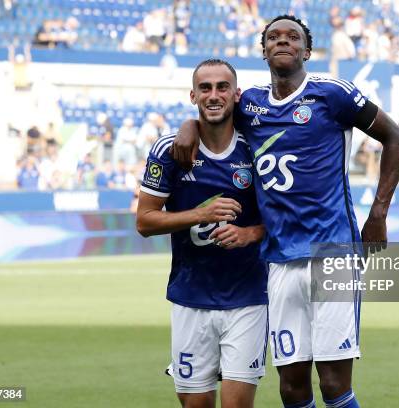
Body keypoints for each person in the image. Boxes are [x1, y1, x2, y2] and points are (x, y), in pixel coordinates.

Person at [172, 15, 399, 408]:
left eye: (292, 37)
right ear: (263, 50)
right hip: (279, 261)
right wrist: (188, 126)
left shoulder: (333, 94)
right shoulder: (251, 104)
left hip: (331, 253)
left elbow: (395, 136)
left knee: (334, 383)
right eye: (273, 37)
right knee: (291, 387)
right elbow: (213, 112)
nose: (283, 41)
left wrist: (379, 212)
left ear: (307, 50)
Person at [136, 59, 268, 408]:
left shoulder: (257, 147)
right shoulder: (170, 150)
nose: (214, 95)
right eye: (205, 88)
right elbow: (144, 221)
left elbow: (286, 213)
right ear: (193, 95)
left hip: (249, 296)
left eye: (222, 87)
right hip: (190, 298)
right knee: (196, 404)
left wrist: (251, 232)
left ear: (236, 95)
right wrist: (200, 214)